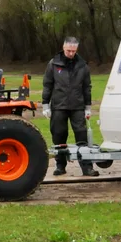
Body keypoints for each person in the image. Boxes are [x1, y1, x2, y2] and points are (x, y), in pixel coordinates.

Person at [42, 36, 97, 177]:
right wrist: (45, 105)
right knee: (59, 136)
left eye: (73, 51)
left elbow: (87, 87)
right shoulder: (53, 64)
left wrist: (88, 107)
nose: (71, 53)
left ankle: (87, 167)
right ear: (63, 48)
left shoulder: (82, 65)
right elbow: (48, 85)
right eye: (68, 51)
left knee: (82, 136)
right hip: (59, 106)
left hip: (77, 106)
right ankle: (60, 166)